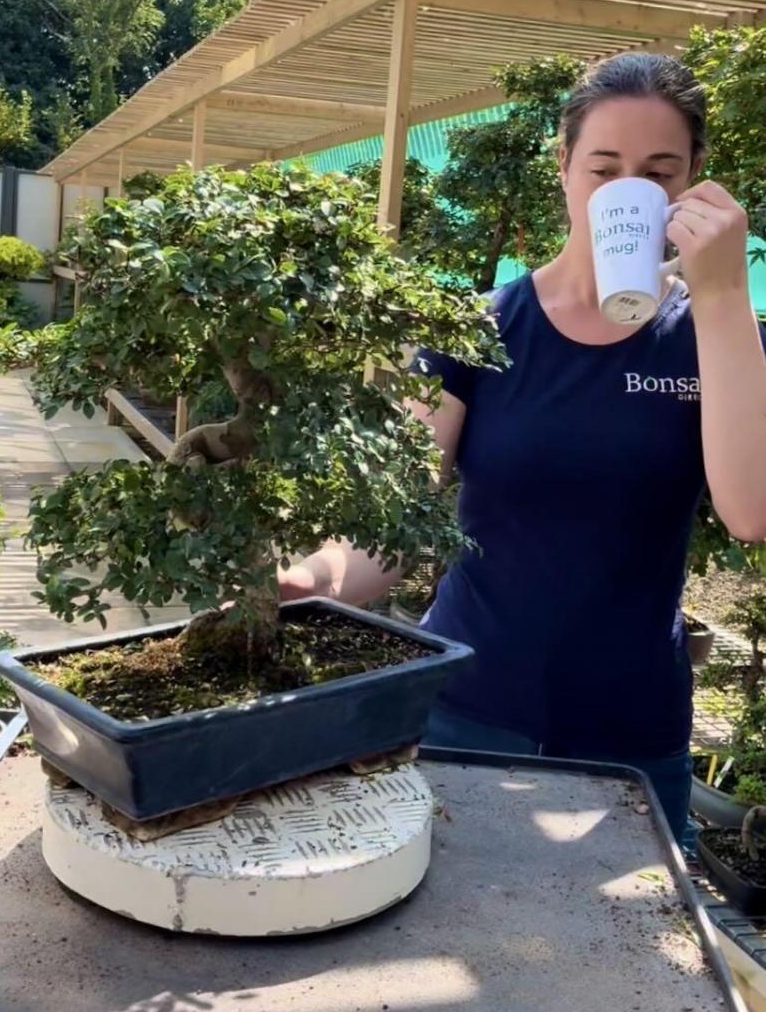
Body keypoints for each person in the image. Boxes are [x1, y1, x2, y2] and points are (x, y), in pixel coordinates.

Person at [278, 53, 766, 843]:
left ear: (691, 181)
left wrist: (720, 295)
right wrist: (306, 582)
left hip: (633, 730)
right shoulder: (477, 328)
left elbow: (751, 512)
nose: (626, 191)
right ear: (563, 166)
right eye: (602, 168)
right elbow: (391, 524)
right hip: (468, 709)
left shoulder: (716, 335)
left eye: (657, 173)